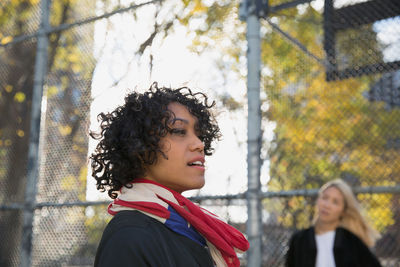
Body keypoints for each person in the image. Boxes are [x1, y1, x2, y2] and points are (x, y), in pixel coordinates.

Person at [90, 83, 249, 267]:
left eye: (200, 134)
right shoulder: (130, 235)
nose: (199, 144)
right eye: (179, 131)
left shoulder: (187, 227)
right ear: (140, 147)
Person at [286, 179, 382, 267]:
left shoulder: (352, 242)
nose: (327, 205)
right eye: (325, 198)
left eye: (335, 202)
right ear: (318, 200)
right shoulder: (299, 240)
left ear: (343, 211)